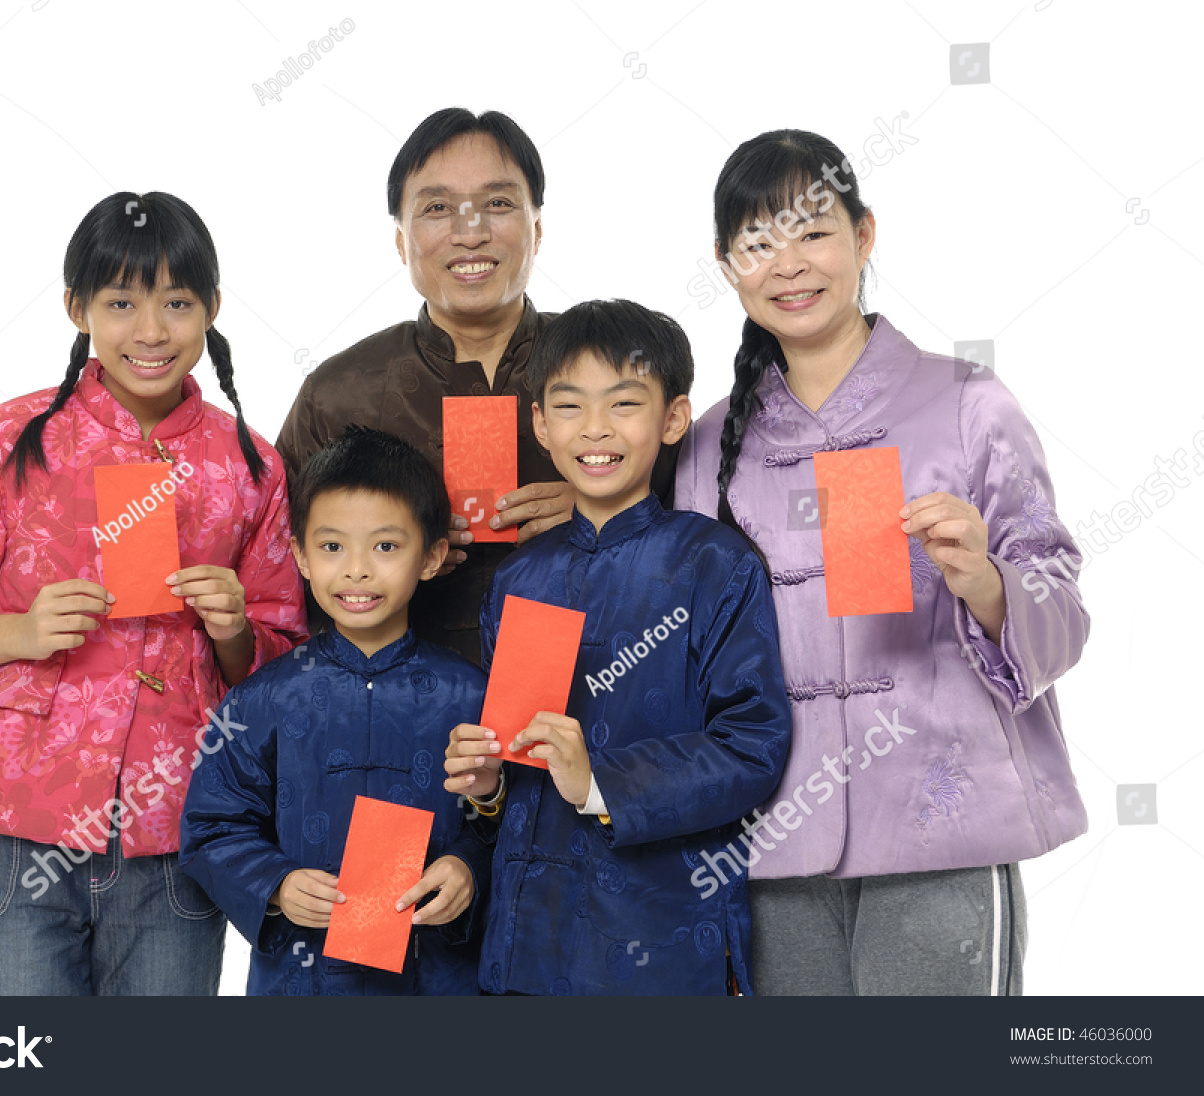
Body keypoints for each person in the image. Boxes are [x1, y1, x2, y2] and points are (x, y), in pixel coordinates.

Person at [675, 129, 1090, 995]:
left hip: (947, 819)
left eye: (814, 232)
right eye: (758, 241)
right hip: (774, 834)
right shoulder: (707, 443)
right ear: (725, 264)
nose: (789, 263)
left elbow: (1062, 604)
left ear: (865, 236)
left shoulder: (969, 403)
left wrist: (986, 580)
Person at [0, 192, 306, 995]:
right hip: (11, 824)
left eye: (177, 303)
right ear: (77, 308)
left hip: (176, 825)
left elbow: (288, 666)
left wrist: (237, 630)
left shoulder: (251, 468)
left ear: (212, 306)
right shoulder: (10, 439)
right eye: (120, 302)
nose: (151, 331)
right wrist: (13, 634)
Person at [445, 299, 792, 994]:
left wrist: (600, 780)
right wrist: (485, 790)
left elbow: (753, 743)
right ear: (540, 423)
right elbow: (513, 761)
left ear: (672, 419)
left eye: (623, 403)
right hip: (528, 941)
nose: (595, 430)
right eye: (569, 406)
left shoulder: (715, 564)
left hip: (664, 935)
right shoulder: (518, 578)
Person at [276, 107, 679, 664]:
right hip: (399, 716)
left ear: (537, 229)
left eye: (498, 203)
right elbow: (281, 577)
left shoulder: (620, 367)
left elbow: (698, 533)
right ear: (401, 240)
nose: (471, 232)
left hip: (600, 699)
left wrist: (610, 506)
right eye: (438, 208)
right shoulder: (340, 393)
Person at [180, 426, 489, 994]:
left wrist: (468, 868)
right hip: (302, 979)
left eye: (386, 547)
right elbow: (210, 826)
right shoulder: (262, 696)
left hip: (440, 977)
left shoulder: (471, 694)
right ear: (298, 554)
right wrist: (275, 884)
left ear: (432, 556)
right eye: (331, 546)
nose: (357, 570)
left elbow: (511, 817)